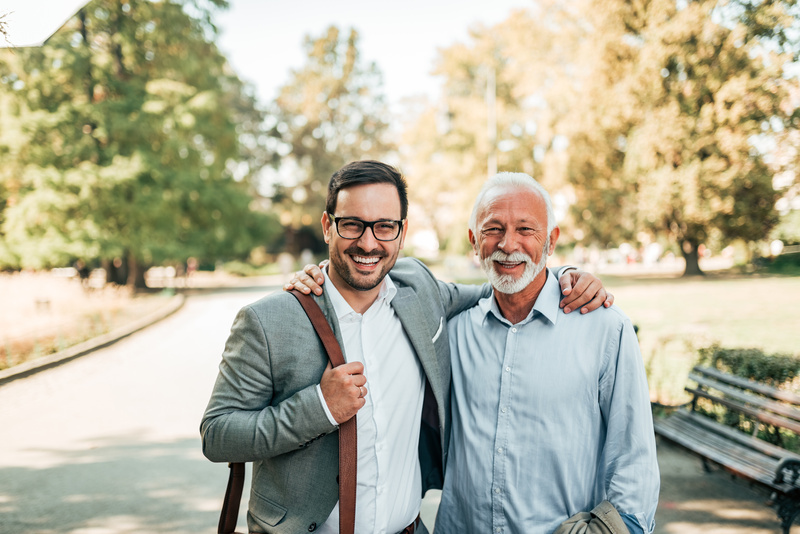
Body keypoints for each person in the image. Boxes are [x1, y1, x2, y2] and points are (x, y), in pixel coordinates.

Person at [202, 160, 611, 534]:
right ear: (328, 226)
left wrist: (566, 277)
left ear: (401, 231)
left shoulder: (420, 289)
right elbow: (218, 434)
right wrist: (319, 408)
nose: (368, 243)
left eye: (384, 226)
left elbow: (502, 283)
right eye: (352, 225)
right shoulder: (268, 321)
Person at [433, 172, 659, 534]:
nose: (508, 244)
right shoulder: (454, 333)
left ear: (551, 241)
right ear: (474, 242)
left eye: (526, 229)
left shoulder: (605, 329)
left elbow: (634, 459)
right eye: (493, 229)